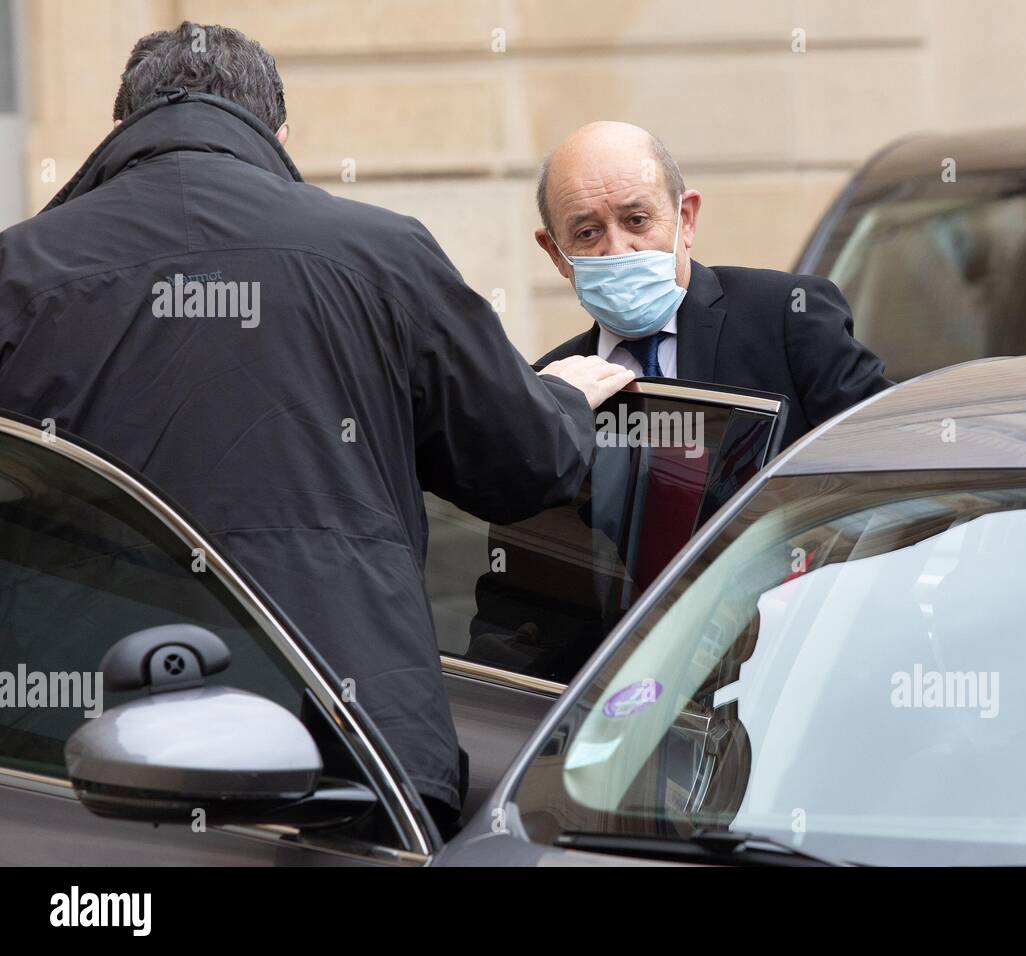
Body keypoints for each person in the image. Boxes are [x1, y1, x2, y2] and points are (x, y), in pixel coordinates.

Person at [0, 23, 632, 838]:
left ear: (119, 131)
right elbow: (523, 463)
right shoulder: (380, 253)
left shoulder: (19, 273)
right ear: (280, 135)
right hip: (345, 757)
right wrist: (564, 402)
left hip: (68, 761)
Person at [534, 121, 892, 448]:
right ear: (555, 253)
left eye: (637, 220)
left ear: (685, 219)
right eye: (587, 232)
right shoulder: (548, 389)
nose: (618, 249)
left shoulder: (786, 318)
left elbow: (889, 454)